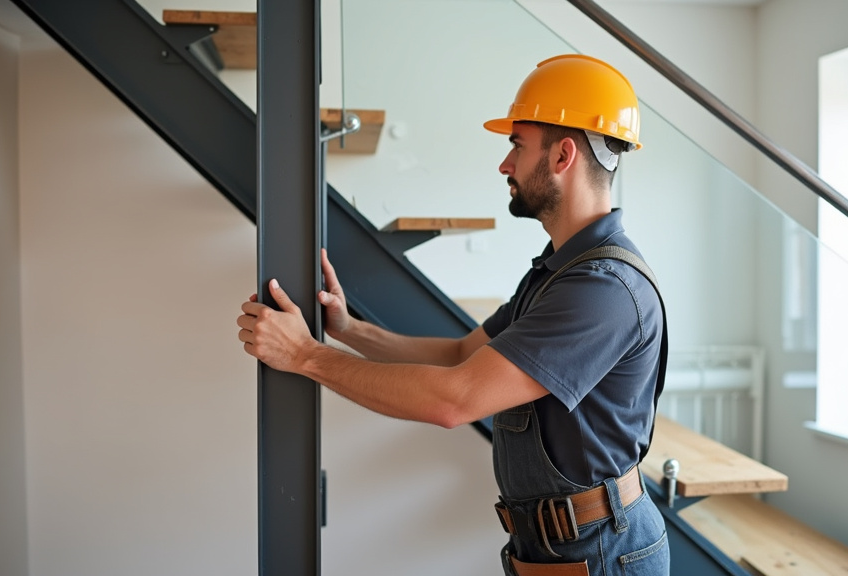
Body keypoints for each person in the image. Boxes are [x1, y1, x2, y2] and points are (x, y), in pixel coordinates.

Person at [237, 54, 669, 576]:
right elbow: (464, 354)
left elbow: (454, 399)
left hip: (602, 553)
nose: (505, 165)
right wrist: (349, 330)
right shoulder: (560, 273)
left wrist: (305, 356)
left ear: (563, 156)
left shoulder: (601, 291)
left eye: (516, 145)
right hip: (560, 547)